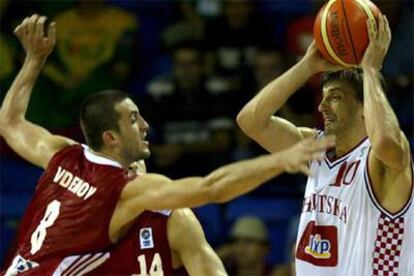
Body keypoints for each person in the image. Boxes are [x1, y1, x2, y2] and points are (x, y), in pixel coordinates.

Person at [0, 15, 335, 275]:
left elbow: (10, 123)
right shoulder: (123, 190)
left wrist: (34, 60)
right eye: (133, 119)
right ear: (110, 137)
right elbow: (212, 188)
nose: (145, 125)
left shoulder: (62, 154)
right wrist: (281, 160)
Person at [237, 14, 413, 275]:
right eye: (323, 97)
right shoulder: (315, 148)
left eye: (335, 97)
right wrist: (306, 66)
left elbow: (385, 139)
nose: (322, 106)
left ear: (365, 106)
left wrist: (370, 71)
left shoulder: (381, 159)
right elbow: (250, 121)